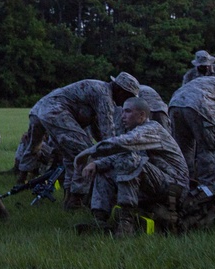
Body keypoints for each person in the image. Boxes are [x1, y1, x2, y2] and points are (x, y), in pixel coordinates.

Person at [19, 73, 141, 210]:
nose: (127, 101)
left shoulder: (100, 90)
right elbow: (108, 132)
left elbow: (97, 129)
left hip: (45, 110)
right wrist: (118, 151)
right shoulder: (104, 96)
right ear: (120, 90)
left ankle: (69, 198)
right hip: (55, 112)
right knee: (86, 154)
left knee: (73, 157)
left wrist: (106, 147)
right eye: (128, 96)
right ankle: (76, 200)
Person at [77, 97, 189, 235]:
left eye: (128, 112)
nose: (122, 116)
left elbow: (123, 144)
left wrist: (88, 152)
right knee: (104, 169)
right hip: (156, 182)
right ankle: (99, 220)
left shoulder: (152, 129)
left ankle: (126, 222)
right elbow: (118, 155)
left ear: (142, 115)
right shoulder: (137, 131)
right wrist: (96, 163)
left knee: (129, 159)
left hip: (174, 186)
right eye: (123, 112)